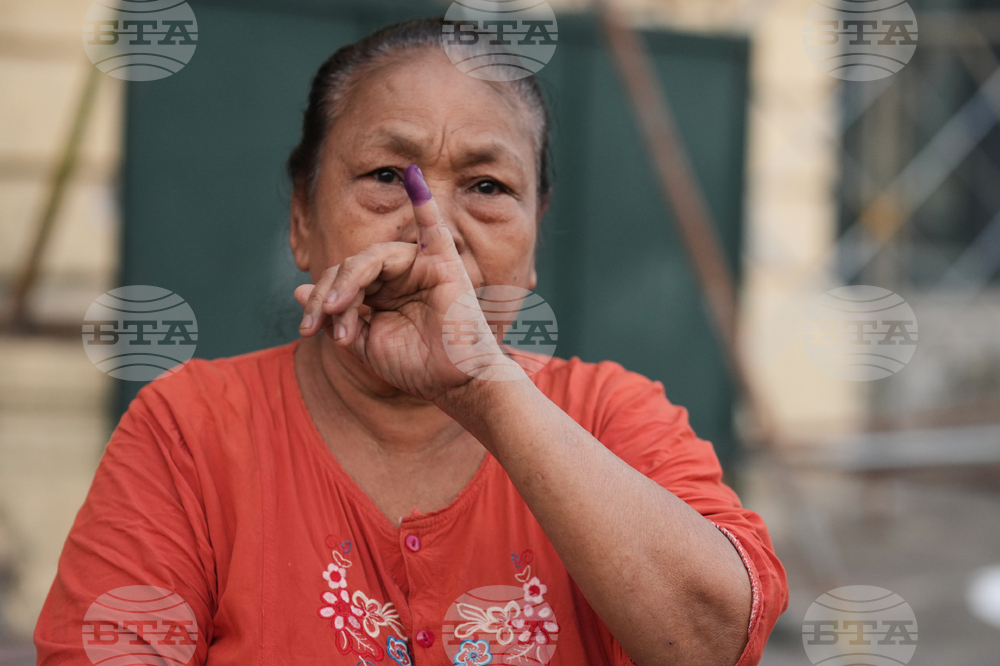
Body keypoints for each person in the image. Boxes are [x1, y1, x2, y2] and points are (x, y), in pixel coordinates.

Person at [34, 17, 786, 666]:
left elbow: (715, 641)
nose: (436, 233)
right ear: (302, 219)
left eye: (488, 187)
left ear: (533, 242)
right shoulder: (190, 431)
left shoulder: (613, 416)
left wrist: (483, 389)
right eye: (388, 176)